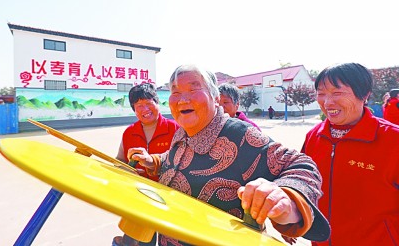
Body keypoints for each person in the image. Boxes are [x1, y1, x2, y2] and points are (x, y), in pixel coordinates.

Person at [128, 65, 330, 245]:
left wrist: (284, 197)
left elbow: (301, 165)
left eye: (193, 89)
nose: (183, 99)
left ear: (216, 99)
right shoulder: (183, 131)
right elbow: (175, 159)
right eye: (176, 92)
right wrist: (153, 160)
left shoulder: (239, 134)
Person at [301, 63, 399, 246]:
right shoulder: (314, 136)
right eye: (321, 93)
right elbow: (304, 183)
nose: (328, 102)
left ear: (364, 94)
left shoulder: (393, 140)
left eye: (337, 93)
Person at [112, 83, 179, 246]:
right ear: (134, 109)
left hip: (167, 197)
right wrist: (124, 169)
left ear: (157, 103)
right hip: (138, 197)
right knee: (139, 241)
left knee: (169, 238)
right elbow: (119, 161)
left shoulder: (176, 129)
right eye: (139, 106)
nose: (145, 109)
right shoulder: (129, 132)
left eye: (149, 103)